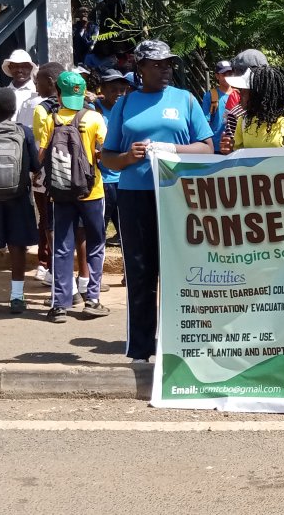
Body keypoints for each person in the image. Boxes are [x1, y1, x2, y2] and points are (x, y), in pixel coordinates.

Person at [102, 40, 214, 363]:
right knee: (140, 271)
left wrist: (170, 150)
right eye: (157, 64)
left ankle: (178, 346)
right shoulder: (125, 105)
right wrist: (127, 156)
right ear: (141, 68)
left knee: (179, 271)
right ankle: (140, 350)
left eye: (168, 64)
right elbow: (107, 157)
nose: (165, 69)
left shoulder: (186, 100)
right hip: (135, 196)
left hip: (178, 194)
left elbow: (207, 148)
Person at [34, 71, 110, 323]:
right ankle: (93, 299)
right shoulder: (95, 118)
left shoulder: (50, 119)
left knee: (62, 246)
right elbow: (104, 153)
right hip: (91, 191)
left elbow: (41, 156)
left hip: (60, 192)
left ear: (58, 93)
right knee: (96, 243)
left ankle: (59, 304)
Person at [0, 88, 40, 314]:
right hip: (18, 197)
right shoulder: (24, 133)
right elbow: (35, 166)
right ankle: (16, 297)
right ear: (14, 109)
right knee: (17, 245)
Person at [21, 62, 61, 284]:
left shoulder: (40, 107)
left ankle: (54, 269)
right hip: (73, 174)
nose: (36, 85)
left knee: (47, 219)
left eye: (39, 81)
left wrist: (35, 170)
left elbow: (38, 141)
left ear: (50, 82)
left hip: (45, 173)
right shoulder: (82, 106)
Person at [220, 67, 284, 153]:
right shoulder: (243, 121)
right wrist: (230, 151)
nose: (239, 97)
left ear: (258, 96)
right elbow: (238, 160)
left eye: (244, 92)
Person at [95, 69, 133, 246]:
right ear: (102, 89)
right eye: (113, 89)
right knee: (99, 227)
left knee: (127, 228)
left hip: (124, 177)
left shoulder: (128, 109)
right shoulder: (94, 109)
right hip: (104, 179)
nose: (118, 93)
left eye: (121, 89)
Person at [0, 49, 37, 123]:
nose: (19, 70)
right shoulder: (2, 95)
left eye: (24, 66)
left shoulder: (37, 92)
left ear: (30, 68)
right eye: (15, 66)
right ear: (10, 68)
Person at [200, 61, 236, 146]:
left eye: (229, 74)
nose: (227, 77)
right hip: (216, 144)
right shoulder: (210, 95)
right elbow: (205, 122)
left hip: (235, 144)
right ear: (217, 76)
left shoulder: (239, 95)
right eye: (224, 74)